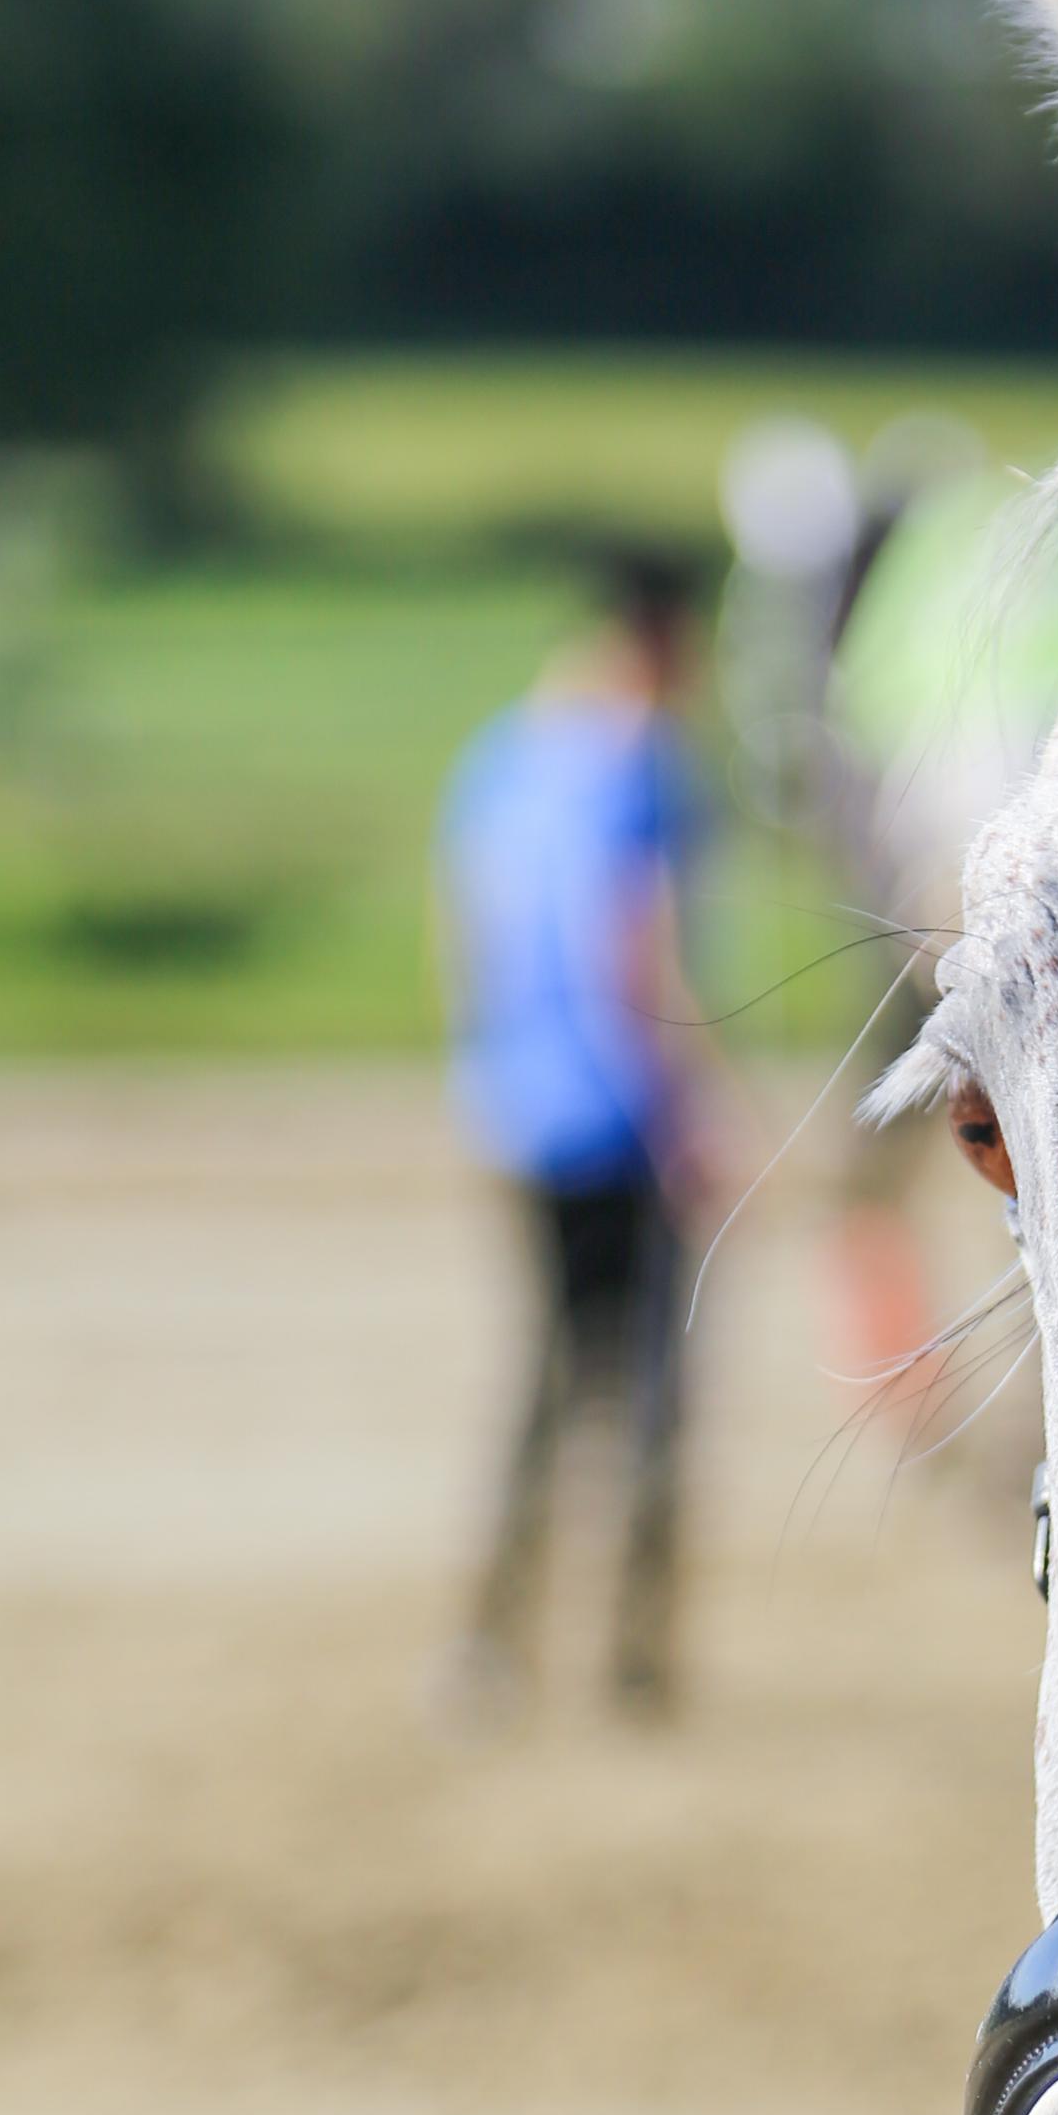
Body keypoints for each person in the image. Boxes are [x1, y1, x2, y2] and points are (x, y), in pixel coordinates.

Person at [436, 545, 724, 1713]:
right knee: (651, 1391)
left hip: (520, 1111)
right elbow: (633, 946)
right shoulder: (646, 764)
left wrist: (485, 1076)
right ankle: (632, 1660)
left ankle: (490, 1645)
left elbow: (460, 934)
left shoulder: (500, 757)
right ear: (657, 639)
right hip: (623, 1114)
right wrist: (692, 1105)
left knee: (542, 1385)